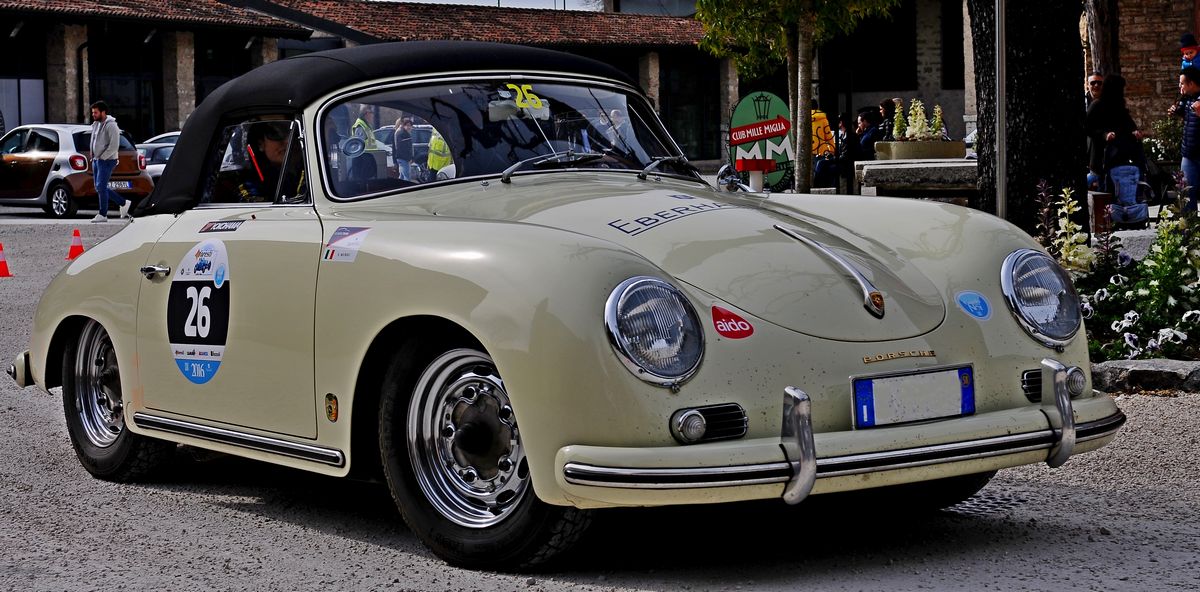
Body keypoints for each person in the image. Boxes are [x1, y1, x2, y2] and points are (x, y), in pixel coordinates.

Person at [1086, 74, 1148, 224]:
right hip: (1102, 157)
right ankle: (1104, 223)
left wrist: (1135, 132)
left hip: (1118, 158)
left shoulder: (1120, 107)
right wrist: (1104, 135)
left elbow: (1128, 125)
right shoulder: (1097, 105)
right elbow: (1088, 128)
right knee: (1103, 190)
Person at [88, 100, 129, 223]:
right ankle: (123, 203)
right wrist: (94, 156)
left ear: (103, 112)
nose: (93, 115)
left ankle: (103, 214)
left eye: (95, 112)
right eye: (93, 113)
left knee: (101, 186)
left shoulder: (111, 125)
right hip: (96, 160)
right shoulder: (96, 124)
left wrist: (103, 157)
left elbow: (114, 145)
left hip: (106, 160)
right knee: (99, 187)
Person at [238, 120, 293, 202]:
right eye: (275, 134)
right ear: (260, 144)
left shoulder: (310, 171)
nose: (288, 141)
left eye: (294, 134)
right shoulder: (252, 186)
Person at [1169, 66, 1200, 212]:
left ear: (1191, 83)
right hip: (1188, 153)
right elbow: (1186, 116)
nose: (1180, 86)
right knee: (1187, 192)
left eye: (1182, 83)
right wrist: (1175, 111)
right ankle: (1189, 229)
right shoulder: (1186, 99)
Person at [392, 117, 414, 181]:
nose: (409, 127)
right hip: (404, 158)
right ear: (403, 125)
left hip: (401, 158)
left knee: (402, 176)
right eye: (407, 125)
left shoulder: (404, 133)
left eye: (410, 126)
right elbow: (403, 148)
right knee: (407, 177)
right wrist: (409, 158)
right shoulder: (403, 134)